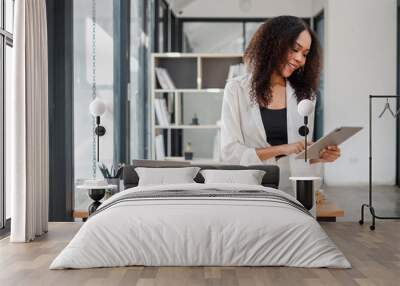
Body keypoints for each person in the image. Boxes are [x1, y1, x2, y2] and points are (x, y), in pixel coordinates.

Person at [220, 15, 340, 194]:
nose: (300, 59)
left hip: (294, 189)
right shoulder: (236, 90)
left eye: (305, 54)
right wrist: (283, 148)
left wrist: (320, 156)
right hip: (250, 187)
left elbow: (301, 155)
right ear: (274, 44)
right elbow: (230, 152)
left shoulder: (306, 95)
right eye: (295, 49)